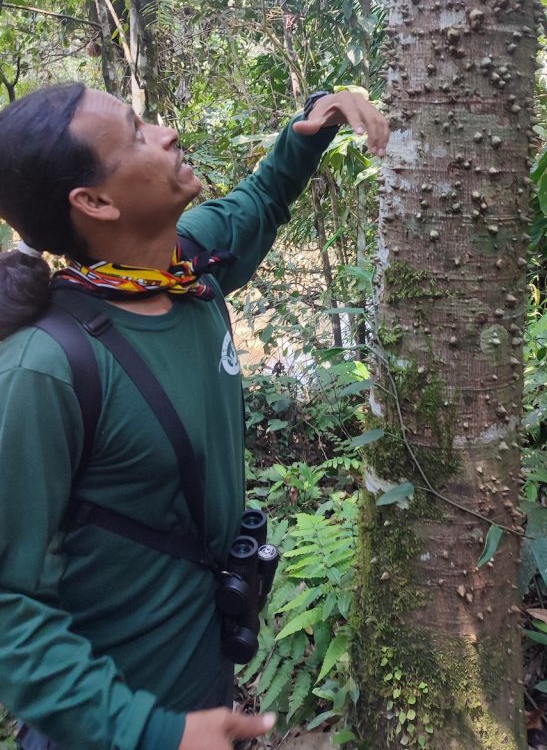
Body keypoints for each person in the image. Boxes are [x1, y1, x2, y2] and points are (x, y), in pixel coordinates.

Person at [0, 83, 389, 750]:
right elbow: (9, 608)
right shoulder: (45, 370)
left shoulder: (185, 272)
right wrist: (152, 732)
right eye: (136, 133)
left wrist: (311, 128)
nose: (166, 133)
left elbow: (257, 204)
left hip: (203, 698)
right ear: (94, 202)